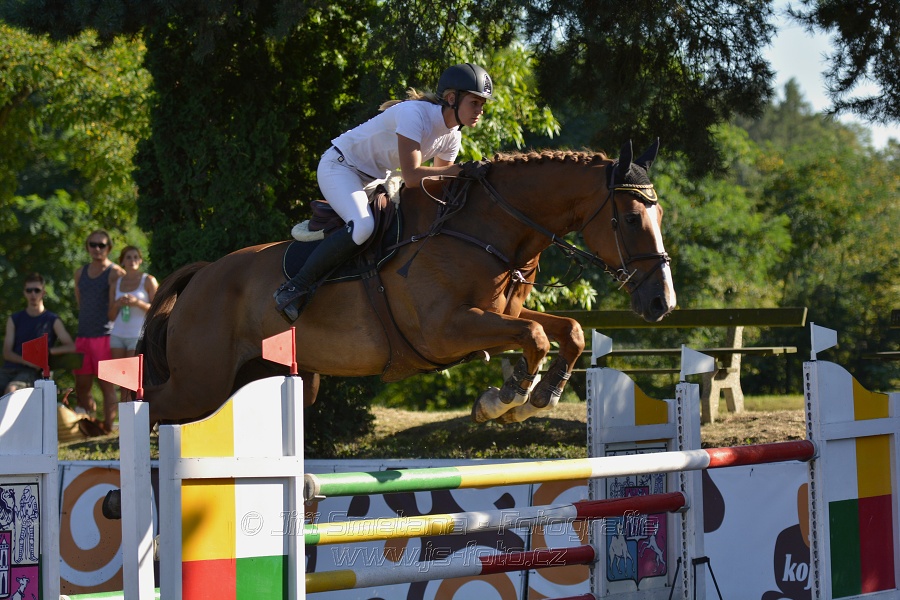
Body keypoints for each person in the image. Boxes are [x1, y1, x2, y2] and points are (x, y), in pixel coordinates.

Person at [274, 62, 495, 321]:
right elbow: (413, 176)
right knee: (363, 226)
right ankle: (294, 287)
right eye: (475, 103)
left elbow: (437, 183)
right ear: (451, 99)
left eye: (482, 105)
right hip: (341, 167)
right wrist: (462, 170)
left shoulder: (452, 136)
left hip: (376, 179)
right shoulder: (416, 114)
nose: (480, 111)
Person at [73, 229, 125, 431]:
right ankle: (90, 426)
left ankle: (109, 428)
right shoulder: (80, 272)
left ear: (109, 248)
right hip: (83, 335)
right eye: (93, 245)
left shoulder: (116, 272)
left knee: (107, 385)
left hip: (106, 336)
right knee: (82, 385)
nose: (97, 249)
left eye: (101, 245)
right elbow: (81, 302)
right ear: (87, 247)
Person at [0, 273, 76, 394]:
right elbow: (7, 353)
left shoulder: (52, 320)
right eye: (29, 290)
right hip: (9, 369)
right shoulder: (14, 319)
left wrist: (48, 352)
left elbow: (71, 346)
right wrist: (27, 361)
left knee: (12, 390)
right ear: (24, 292)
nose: (33, 294)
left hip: (34, 374)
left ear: (43, 293)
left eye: (37, 290)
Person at [108, 245, 159, 402]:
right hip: (118, 334)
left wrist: (137, 303)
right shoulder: (116, 284)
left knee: (132, 379)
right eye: (128, 257)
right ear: (122, 261)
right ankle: (124, 416)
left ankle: (135, 415)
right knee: (120, 380)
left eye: (135, 257)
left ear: (141, 260)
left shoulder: (148, 280)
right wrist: (117, 304)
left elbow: (158, 309)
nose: (132, 260)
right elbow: (110, 316)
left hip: (137, 334)